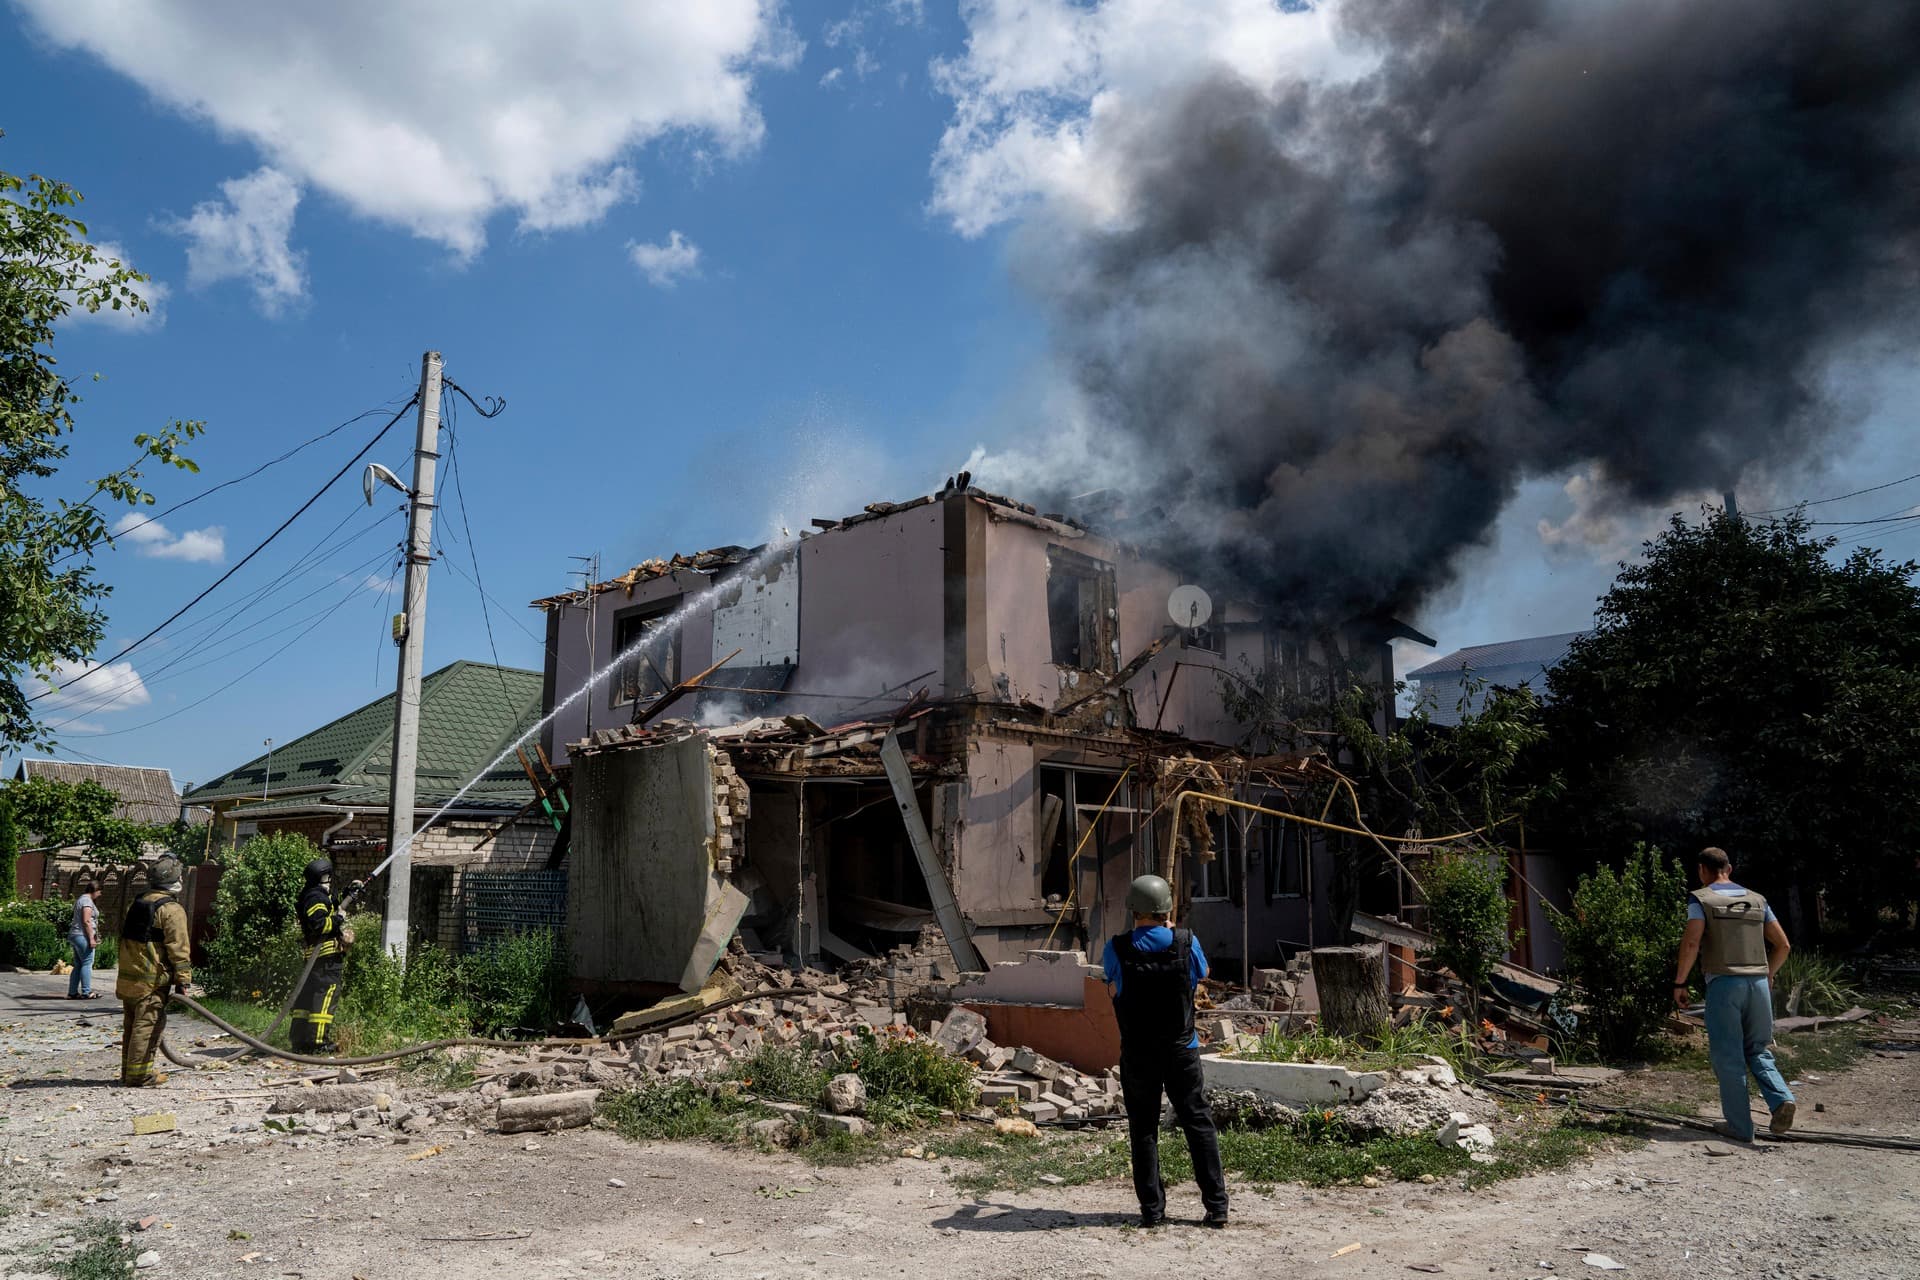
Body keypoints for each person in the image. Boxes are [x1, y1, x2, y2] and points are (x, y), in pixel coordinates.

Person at [1101, 874, 1229, 1229]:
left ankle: (1152, 1211)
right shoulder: (1186, 942)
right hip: (1182, 1051)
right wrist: (1171, 932)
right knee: (1198, 1124)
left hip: (1139, 1054)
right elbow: (1203, 971)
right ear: (1166, 909)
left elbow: (1110, 981)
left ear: (1133, 909)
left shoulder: (1116, 948)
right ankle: (1217, 1206)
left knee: (1143, 1128)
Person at [1672, 846, 1795, 1141]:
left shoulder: (1700, 899)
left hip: (1725, 985)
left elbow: (1691, 943)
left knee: (1729, 1056)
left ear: (1703, 870)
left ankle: (1740, 1127)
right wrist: (1769, 974)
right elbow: (1783, 945)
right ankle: (1781, 1099)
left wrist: (1680, 983)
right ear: (1729, 868)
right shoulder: (1758, 900)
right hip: (1758, 985)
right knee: (1758, 1049)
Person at [116, 856, 198, 1086]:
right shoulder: (171, 909)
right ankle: (139, 1076)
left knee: (132, 1027)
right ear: (174, 880)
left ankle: (128, 1072)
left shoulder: (138, 902)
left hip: (129, 977)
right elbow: (179, 949)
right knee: (146, 1027)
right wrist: (183, 980)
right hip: (151, 981)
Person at [291, 857, 353, 1054]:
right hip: (326, 959)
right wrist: (338, 919)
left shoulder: (312, 895)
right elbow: (319, 924)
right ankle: (318, 1043)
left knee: (307, 999)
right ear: (323, 876)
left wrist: (349, 894)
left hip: (317, 960)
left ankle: (300, 1041)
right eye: (329, 877)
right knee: (325, 998)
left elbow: (330, 907)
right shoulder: (316, 897)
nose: (330, 880)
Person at [68, 876, 102, 1000]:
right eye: (99, 891)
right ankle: (86, 992)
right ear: (95, 890)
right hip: (82, 936)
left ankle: (72, 992)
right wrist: (91, 939)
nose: (100, 894)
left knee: (78, 964)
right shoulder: (87, 902)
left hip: (75, 935)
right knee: (87, 963)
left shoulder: (80, 899)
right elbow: (86, 920)